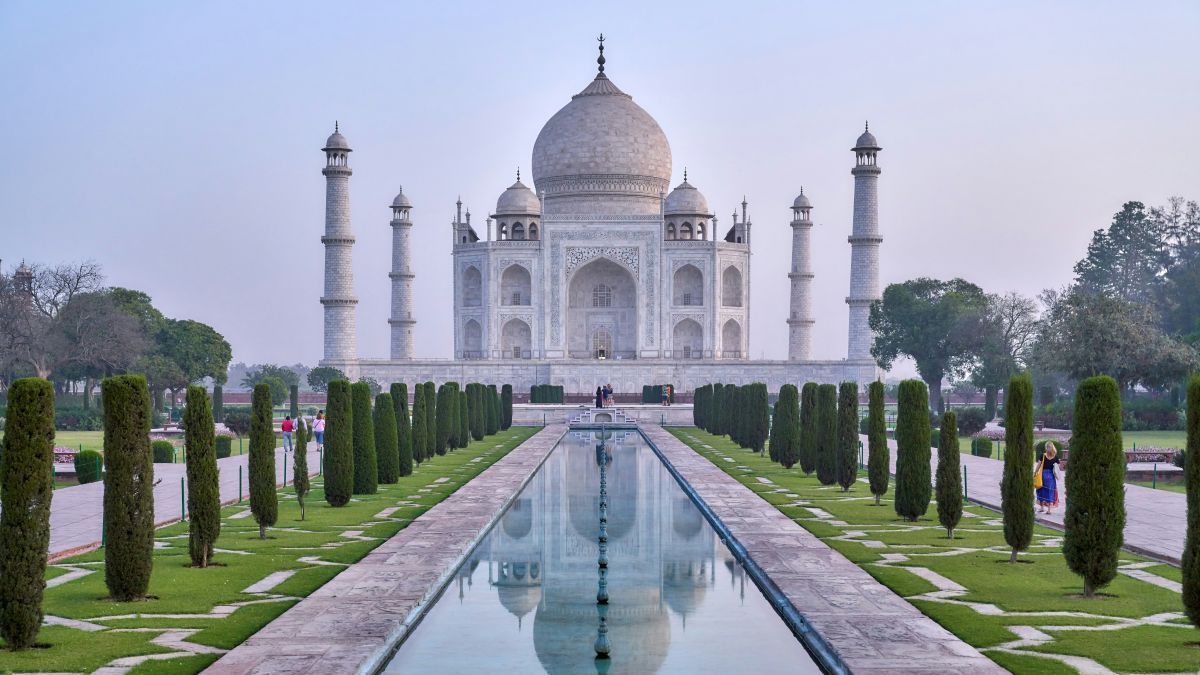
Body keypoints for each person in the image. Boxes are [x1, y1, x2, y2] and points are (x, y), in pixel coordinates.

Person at [1036, 442, 1061, 514]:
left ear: (1046, 447)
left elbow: (1038, 465)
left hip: (1043, 475)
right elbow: (1058, 467)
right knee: (1050, 492)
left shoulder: (1043, 456)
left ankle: (1042, 508)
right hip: (1051, 477)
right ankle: (1049, 510)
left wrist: (1035, 473)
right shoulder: (1055, 457)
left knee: (1041, 490)